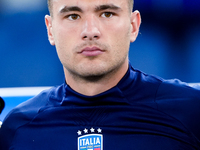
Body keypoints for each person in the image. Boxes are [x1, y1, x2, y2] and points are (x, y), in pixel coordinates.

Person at [0, 0, 200, 149]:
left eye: (107, 14)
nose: (90, 31)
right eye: (73, 16)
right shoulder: (18, 129)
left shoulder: (191, 112)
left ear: (133, 25)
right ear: (50, 29)